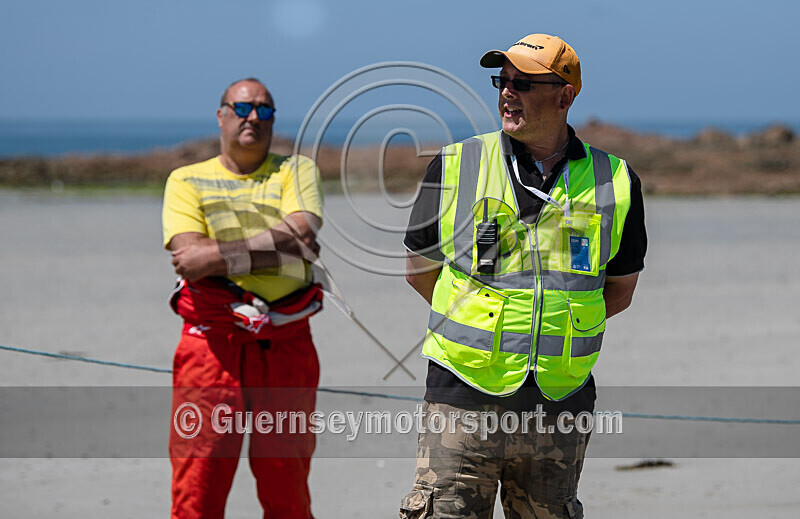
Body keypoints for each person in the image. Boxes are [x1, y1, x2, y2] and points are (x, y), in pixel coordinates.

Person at [400, 34, 647, 518]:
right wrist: (486, 326)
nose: (507, 93)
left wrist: (553, 329)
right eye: (503, 81)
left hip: (559, 404)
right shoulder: (455, 165)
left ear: (565, 96)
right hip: (461, 400)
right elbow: (418, 272)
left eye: (524, 83)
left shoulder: (615, 180)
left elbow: (619, 291)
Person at [162, 77, 324, 519]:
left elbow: (304, 235)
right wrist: (277, 246)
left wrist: (217, 255)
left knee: (286, 491)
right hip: (211, 347)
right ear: (221, 115)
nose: (254, 117)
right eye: (243, 108)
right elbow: (187, 260)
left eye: (265, 110)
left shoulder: (295, 171)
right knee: (198, 490)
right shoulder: (186, 180)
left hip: (286, 346)